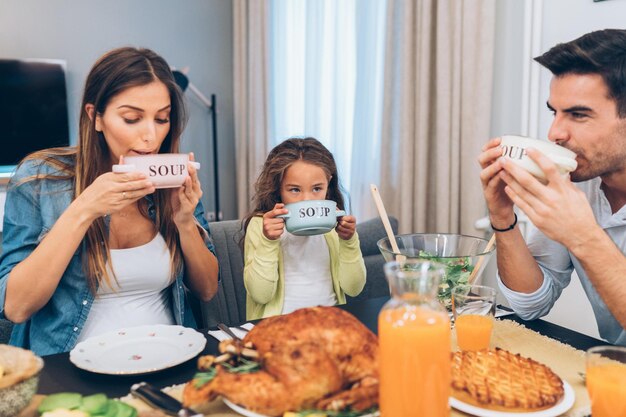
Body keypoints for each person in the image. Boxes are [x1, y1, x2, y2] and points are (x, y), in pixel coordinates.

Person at [0, 47, 219, 356]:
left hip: (171, 357)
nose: (151, 137)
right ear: (95, 116)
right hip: (70, 368)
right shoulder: (39, 179)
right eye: (131, 118)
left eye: (162, 119)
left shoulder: (171, 176)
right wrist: (84, 209)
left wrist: (184, 221)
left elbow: (208, 290)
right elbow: (17, 307)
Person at [479, 29, 626, 346]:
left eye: (578, 114)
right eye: (554, 112)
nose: (555, 133)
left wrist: (583, 236)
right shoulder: (578, 184)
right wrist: (503, 218)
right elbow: (530, 304)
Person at [242, 137, 366, 320]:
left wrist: (349, 242)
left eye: (317, 188)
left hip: (330, 322)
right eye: (294, 190)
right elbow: (261, 294)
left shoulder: (334, 227)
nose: (307, 200)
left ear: (328, 184)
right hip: (279, 327)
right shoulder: (261, 226)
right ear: (278, 188)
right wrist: (268, 241)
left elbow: (354, 289)